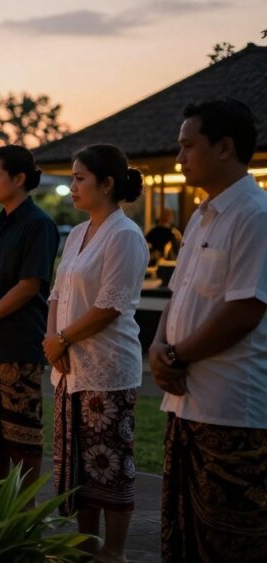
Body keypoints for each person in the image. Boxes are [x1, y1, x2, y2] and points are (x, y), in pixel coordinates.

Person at [150, 99, 267, 560]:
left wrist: (176, 356)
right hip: (186, 402)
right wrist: (159, 348)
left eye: (187, 146)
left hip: (230, 406)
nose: (179, 159)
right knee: (186, 532)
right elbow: (178, 295)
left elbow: (245, 310)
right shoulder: (201, 215)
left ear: (223, 147)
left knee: (231, 539)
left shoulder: (255, 216)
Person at [44, 145, 147, 563]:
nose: (72, 187)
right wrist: (53, 340)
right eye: (71, 178)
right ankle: (87, 546)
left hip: (106, 368)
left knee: (110, 463)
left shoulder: (124, 235)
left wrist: (63, 338)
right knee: (77, 467)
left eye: (80, 178)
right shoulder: (76, 234)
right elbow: (56, 292)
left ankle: (116, 551)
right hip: (68, 367)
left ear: (106, 184)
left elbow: (110, 305)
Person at [0, 145, 59, 489]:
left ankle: (24, 510)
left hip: (19, 343)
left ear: (19, 178)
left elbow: (29, 285)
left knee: (21, 432)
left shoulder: (39, 225)